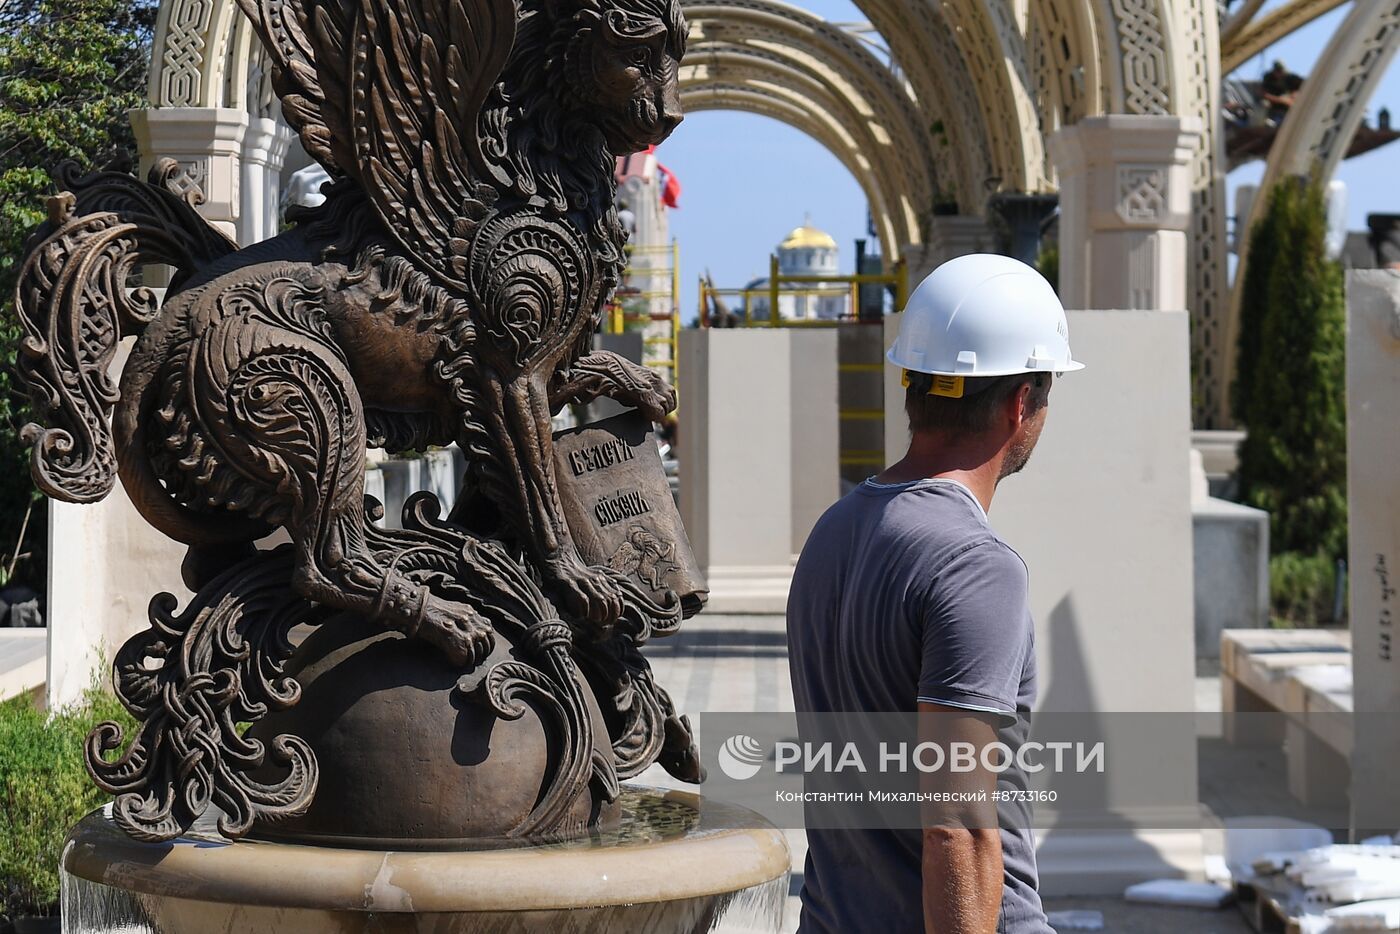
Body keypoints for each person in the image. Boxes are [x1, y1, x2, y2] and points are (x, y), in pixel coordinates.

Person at [787, 254, 1084, 933]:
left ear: (911, 388)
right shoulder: (977, 568)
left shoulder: (833, 533)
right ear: (1019, 404)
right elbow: (957, 827)